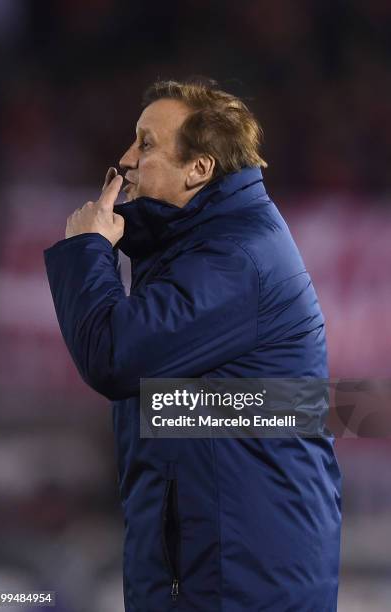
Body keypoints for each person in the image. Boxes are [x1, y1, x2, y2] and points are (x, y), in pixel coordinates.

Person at [44, 79, 341, 612]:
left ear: (199, 169)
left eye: (146, 143)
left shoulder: (236, 258)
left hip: (241, 586)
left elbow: (113, 356)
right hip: (218, 574)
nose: (126, 158)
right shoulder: (207, 247)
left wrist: (88, 251)